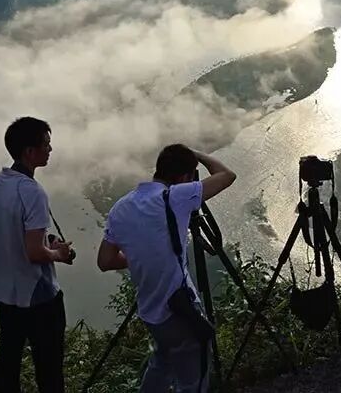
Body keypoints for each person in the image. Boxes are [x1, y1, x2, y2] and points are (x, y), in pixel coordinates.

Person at [97, 144, 237, 393]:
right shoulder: (177, 197)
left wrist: (141, 255)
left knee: (163, 361)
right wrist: (196, 154)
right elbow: (227, 175)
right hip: (179, 310)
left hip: (151, 312)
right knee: (193, 377)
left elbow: (105, 261)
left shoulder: (121, 207)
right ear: (184, 178)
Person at [0, 117, 74, 393]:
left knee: (8, 361)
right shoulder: (32, 192)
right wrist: (59, 253)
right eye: (46, 144)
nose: (50, 150)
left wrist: (14, 240)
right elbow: (35, 253)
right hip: (38, 294)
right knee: (49, 367)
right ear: (30, 151)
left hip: (6, 293)